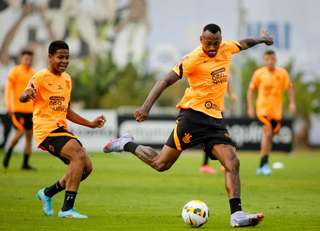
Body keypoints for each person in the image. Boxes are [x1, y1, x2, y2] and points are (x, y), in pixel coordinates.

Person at [104, 24, 273, 227]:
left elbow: (245, 43)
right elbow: (165, 80)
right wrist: (145, 107)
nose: (212, 47)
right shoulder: (192, 59)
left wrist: (262, 39)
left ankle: (236, 215)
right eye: (208, 43)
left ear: (221, 40)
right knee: (161, 164)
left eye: (216, 43)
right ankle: (126, 144)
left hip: (215, 120)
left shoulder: (226, 48)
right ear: (201, 39)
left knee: (232, 162)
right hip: (192, 118)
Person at [20, 40, 106, 219]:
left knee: (86, 168)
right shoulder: (40, 77)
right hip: (46, 130)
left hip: (60, 128)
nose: (64, 61)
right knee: (78, 155)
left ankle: (48, 193)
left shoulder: (67, 79)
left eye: (67, 58)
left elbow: (66, 110)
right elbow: (24, 94)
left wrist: (90, 123)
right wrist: (27, 95)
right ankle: (67, 209)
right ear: (50, 57)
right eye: (60, 57)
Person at [247, 50, 296, 176]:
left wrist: (292, 103)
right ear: (264, 60)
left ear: (276, 60)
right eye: (267, 59)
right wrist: (250, 107)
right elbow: (251, 90)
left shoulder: (282, 73)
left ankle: (262, 165)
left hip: (276, 112)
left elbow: (290, 88)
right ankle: (264, 165)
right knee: (267, 133)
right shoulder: (259, 73)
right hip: (262, 109)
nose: (270, 61)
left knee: (269, 138)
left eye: (272, 59)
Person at [3, 49, 36, 170]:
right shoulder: (15, 71)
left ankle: (25, 163)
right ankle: (9, 152)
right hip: (17, 109)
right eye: (26, 58)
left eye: (30, 59)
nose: (28, 61)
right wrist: (8, 105)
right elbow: (8, 89)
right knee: (20, 132)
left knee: (29, 136)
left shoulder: (34, 73)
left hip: (31, 110)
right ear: (21, 59)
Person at [200, 80, 237, 174]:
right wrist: (231, 94)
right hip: (210, 109)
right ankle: (207, 165)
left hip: (218, 109)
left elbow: (227, 81)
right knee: (218, 136)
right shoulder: (211, 70)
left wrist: (231, 94)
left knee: (217, 137)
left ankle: (209, 164)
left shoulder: (223, 70)